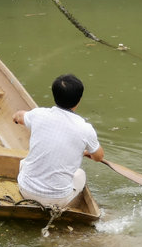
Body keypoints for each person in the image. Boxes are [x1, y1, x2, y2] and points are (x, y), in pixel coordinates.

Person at [12, 74, 104, 208]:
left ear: (54, 95)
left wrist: (16, 119)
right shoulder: (85, 129)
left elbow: (18, 116)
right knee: (80, 174)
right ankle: (70, 205)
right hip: (58, 200)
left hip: (26, 190)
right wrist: (84, 152)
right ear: (79, 100)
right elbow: (99, 157)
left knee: (24, 162)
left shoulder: (38, 114)